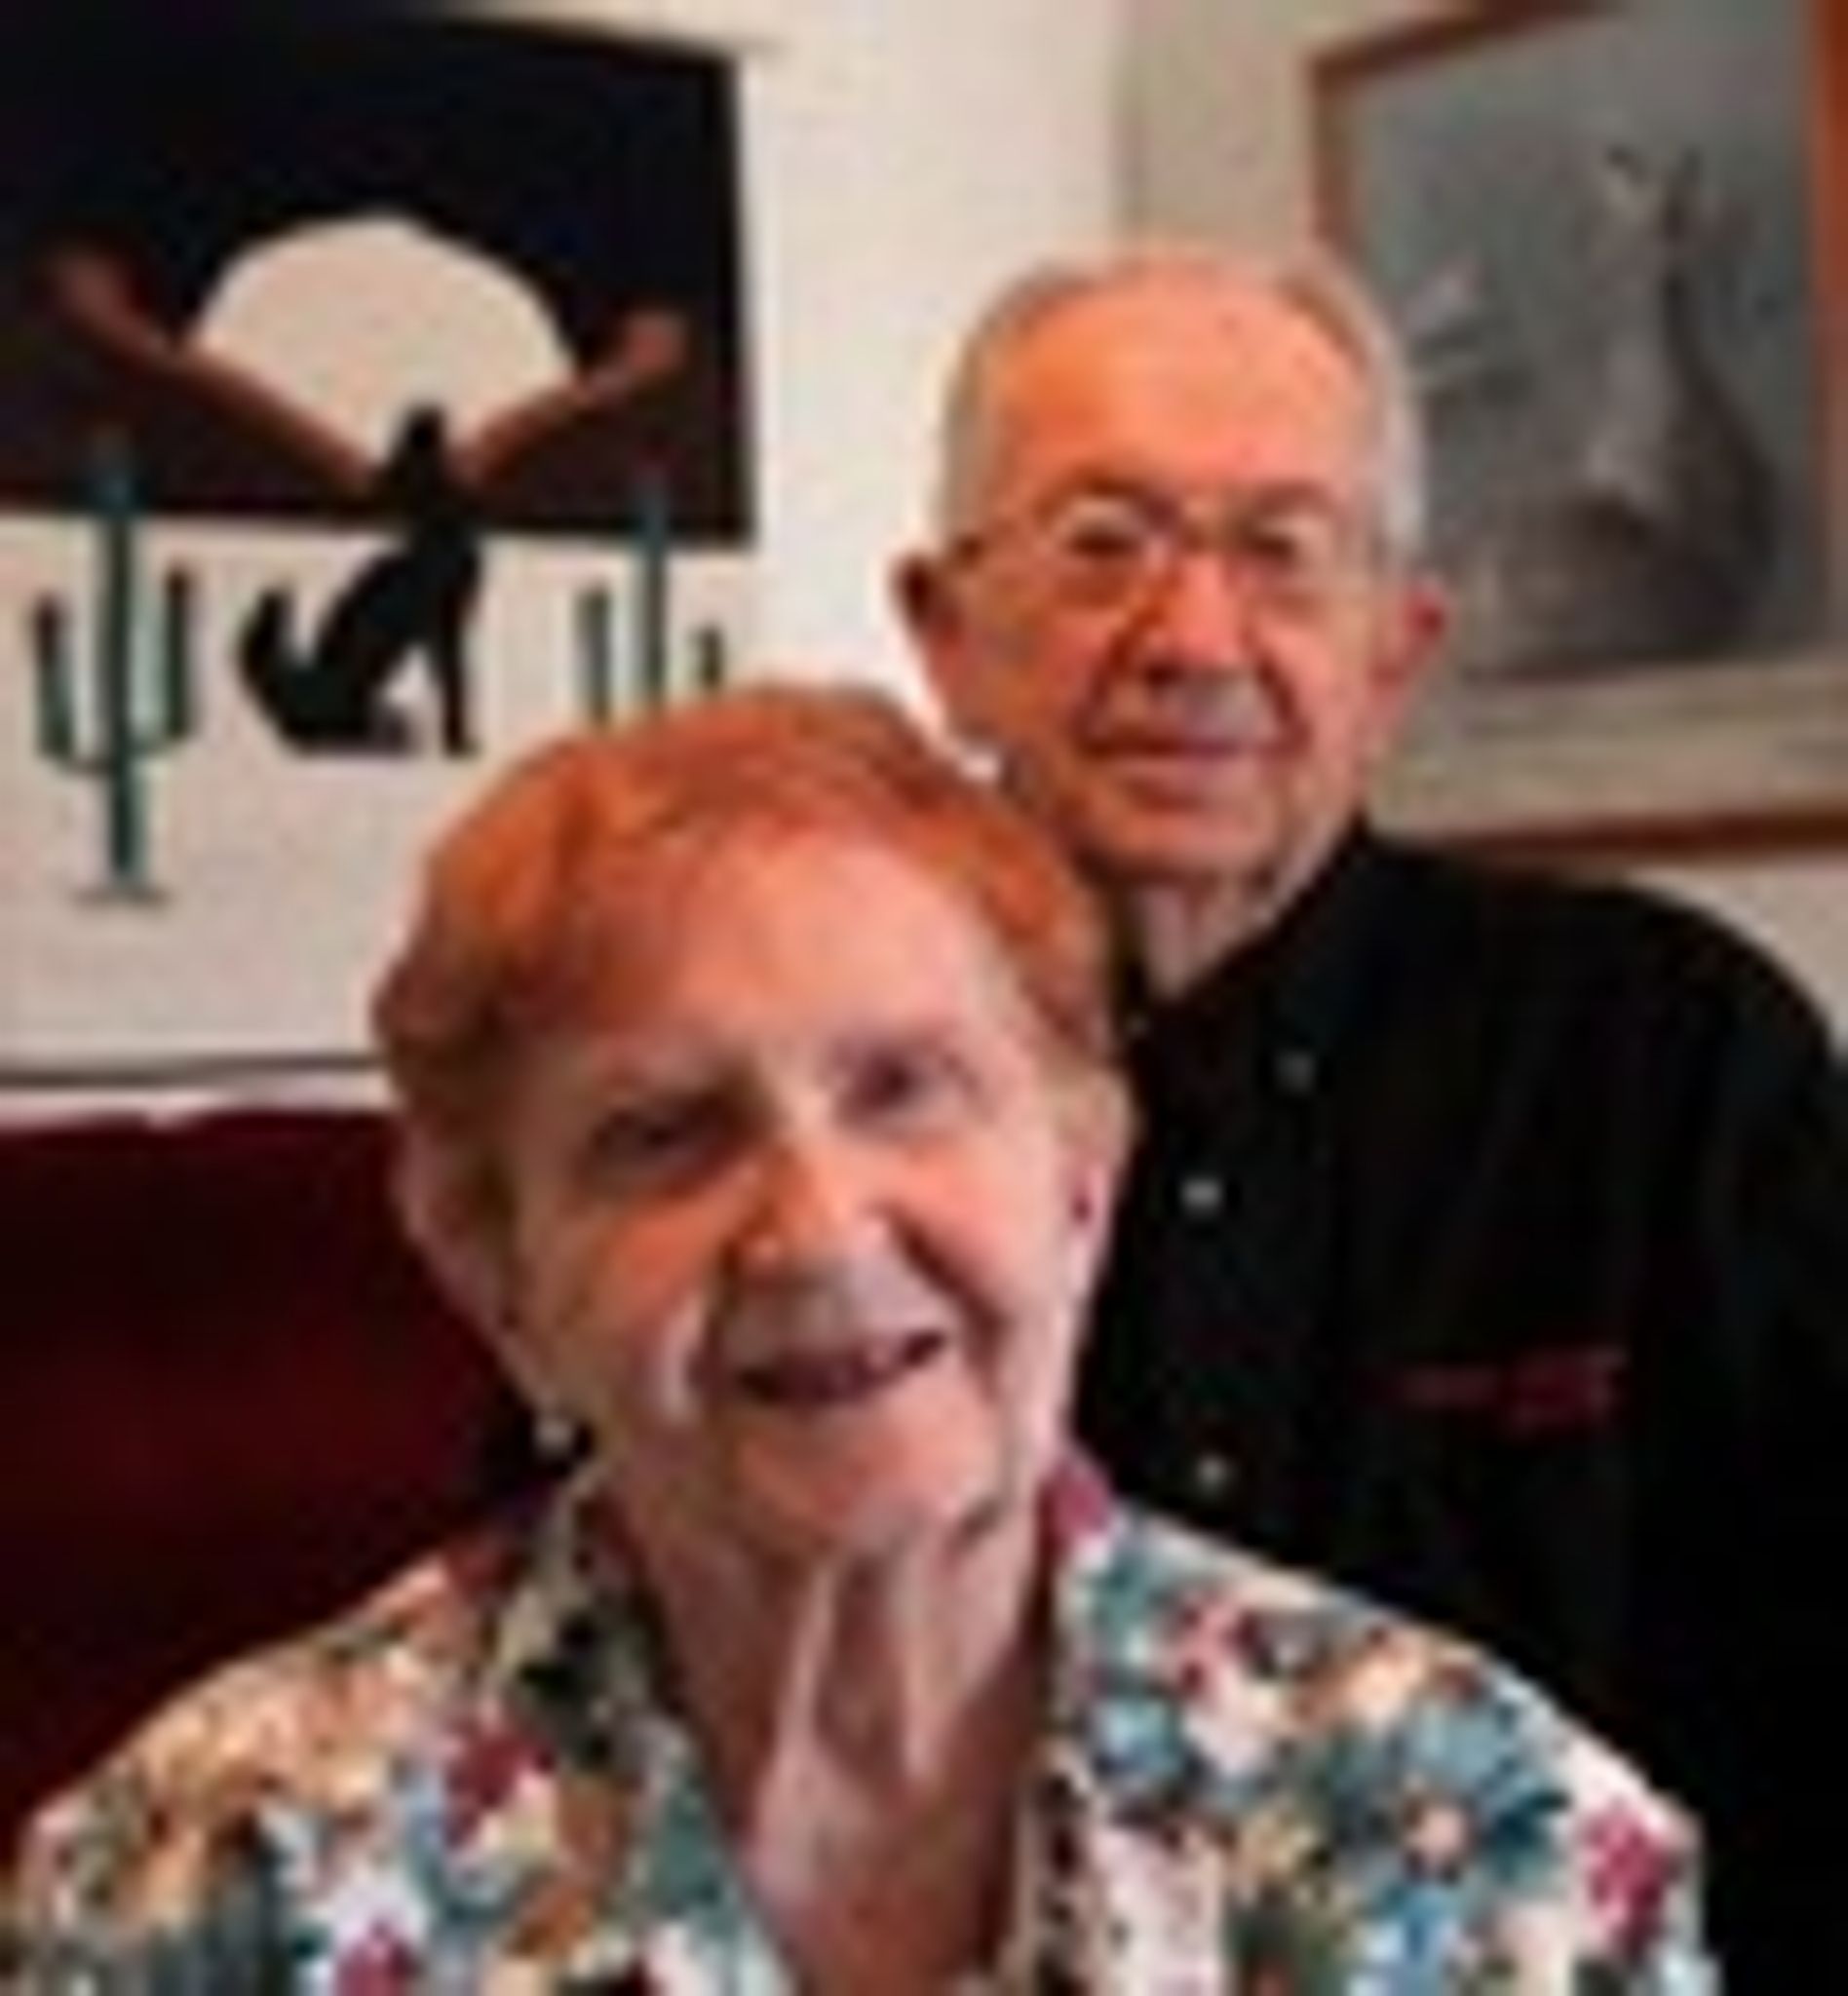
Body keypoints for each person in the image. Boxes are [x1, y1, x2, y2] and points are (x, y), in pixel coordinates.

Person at [2, 685, 1710, 1988]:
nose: (818, 1231)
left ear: (1084, 1187)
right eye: (665, 1134)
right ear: (500, 1281)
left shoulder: (1482, 1841)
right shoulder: (214, 1883)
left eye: (905, 1089)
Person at [892, 239, 1848, 1989]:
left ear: (1396, 652)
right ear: (945, 636)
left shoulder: (1670, 1060)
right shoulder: (808, 1106)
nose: (1195, 640)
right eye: (1103, 544)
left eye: (1283, 552)